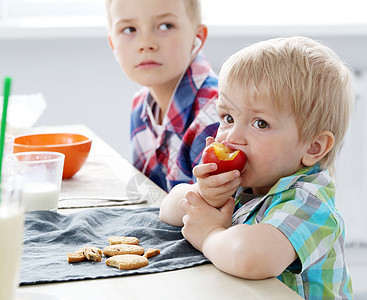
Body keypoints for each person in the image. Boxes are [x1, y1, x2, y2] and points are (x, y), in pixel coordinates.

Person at [159, 36, 354, 299]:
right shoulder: (249, 178)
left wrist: (208, 234)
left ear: (313, 147)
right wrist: (205, 196)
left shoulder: (310, 203)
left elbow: (249, 257)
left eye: (260, 123)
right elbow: (168, 210)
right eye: (228, 118)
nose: (230, 138)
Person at [105, 0, 219, 192]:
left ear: (196, 37)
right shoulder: (140, 106)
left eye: (165, 26)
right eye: (129, 29)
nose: (146, 43)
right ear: (113, 45)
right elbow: (149, 199)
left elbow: (212, 212)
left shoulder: (215, 114)